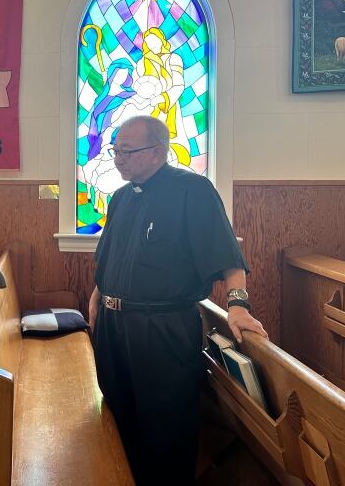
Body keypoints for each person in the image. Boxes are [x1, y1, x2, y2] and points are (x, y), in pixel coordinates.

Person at [88, 115, 267, 486]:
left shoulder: (193, 191)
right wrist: (98, 297)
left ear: (157, 153)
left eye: (127, 151)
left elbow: (229, 259)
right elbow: (109, 259)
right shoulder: (120, 198)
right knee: (117, 418)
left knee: (165, 428)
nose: (118, 158)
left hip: (163, 329)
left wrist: (238, 305)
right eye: (115, 150)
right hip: (113, 328)